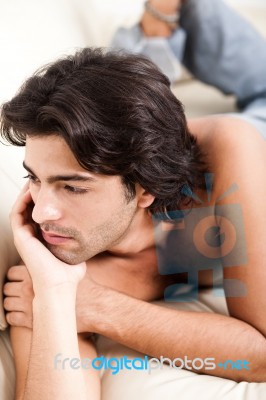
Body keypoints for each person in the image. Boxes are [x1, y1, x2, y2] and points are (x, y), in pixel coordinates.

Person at [1, 3, 266, 399]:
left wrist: (98, 308)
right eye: (34, 178)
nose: (41, 213)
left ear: (145, 189)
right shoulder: (57, 261)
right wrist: (56, 294)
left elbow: (260, 356)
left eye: (73, 187)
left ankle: (167, 19)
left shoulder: (226, 150)